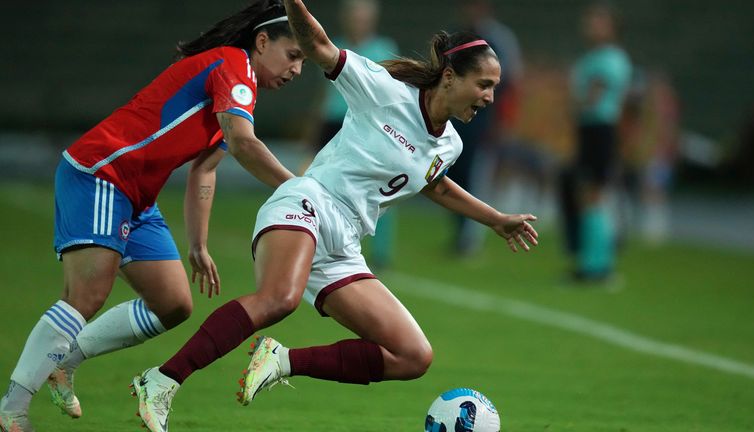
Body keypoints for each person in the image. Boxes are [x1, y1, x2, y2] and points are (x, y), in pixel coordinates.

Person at [131, 1, 538, 431]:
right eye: (485, 84)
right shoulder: (384, 90)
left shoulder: (449, 144)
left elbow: (434, 184)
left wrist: (494, 218)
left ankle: (282, 359)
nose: (490, 97)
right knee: (278, 299)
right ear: (451, 76)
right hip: (308, 201)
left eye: (494, 86)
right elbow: (320, 45)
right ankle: (161, 380)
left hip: (344, 241)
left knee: (413, 355)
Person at [0, 1, 305, 430]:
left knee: (173, 303)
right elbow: (244, 144)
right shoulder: (234, 64)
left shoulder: (238, 94)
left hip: (136, 196)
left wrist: (198, 243)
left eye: (304, 62)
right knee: (86, 294)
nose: (297, 70)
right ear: (261, 41)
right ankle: (12, 409)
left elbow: (205, 170)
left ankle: (63, 360)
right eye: (293, 55)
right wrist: (298, 188)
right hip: (104, 171)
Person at [314, 0, 399, 269]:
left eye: (363, 17)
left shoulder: (384, 49)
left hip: (368, 126)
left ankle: (381, 252)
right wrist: (313, 127)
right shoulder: (334, 46)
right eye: (354, 16)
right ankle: (324, 245)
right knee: (325, 188)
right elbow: (324, 94)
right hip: (333, 123)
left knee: (379, 190)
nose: (358, 21)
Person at [559, 2, 631, 281]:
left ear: (612, 27)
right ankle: (594, 262)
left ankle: (597, 265)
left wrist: (572, 101)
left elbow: (591, 100)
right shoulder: (593, 57)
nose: (590, 25)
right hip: (590, 130)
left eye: (597, 21)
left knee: (593, 197)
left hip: (600, 130)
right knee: (588, 196)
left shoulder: (610, 59)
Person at [450, 0, 524, 256]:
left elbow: (510, 82)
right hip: (457, 117)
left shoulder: (500, 39)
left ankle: (471, 236)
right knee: (452, 173)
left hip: (485, 118)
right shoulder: (458, 37)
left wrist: (503, 121)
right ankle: (459, 233)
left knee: (476, 175)